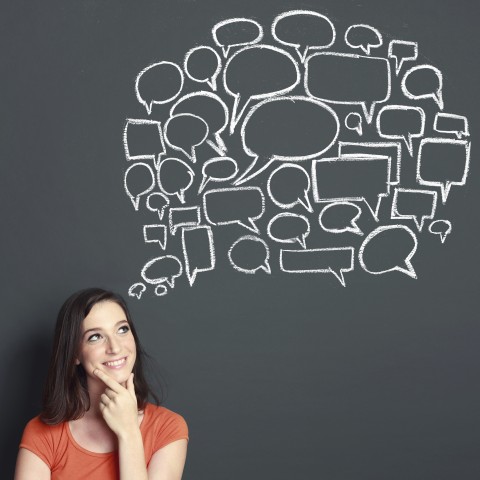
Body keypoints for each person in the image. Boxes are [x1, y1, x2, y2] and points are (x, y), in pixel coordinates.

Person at [14, 288, 188, 480]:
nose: (115, 347)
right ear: (74, 355)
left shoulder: (168, 427)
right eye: (95, 336)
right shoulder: (42, 433)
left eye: (122, 329)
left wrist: (129, 433)